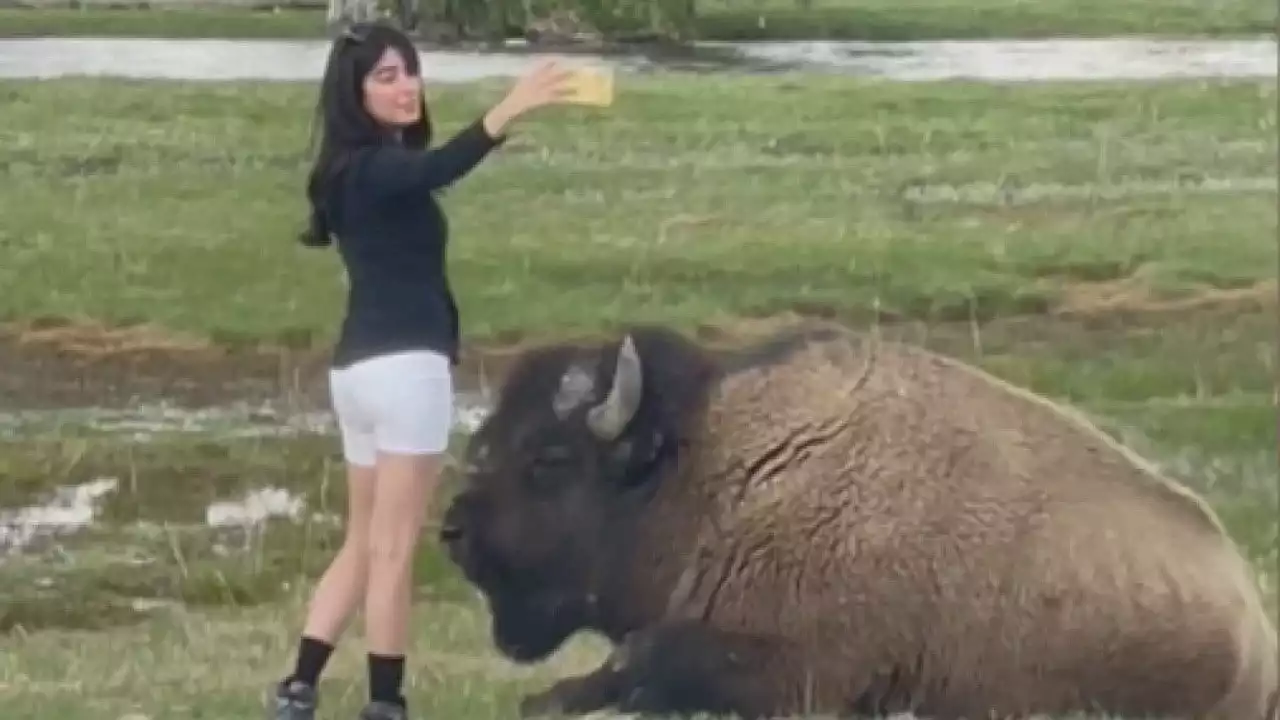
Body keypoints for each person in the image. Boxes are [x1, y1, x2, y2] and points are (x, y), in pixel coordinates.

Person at [270, 20, 577, 720]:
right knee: (393, 550)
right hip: (406, 374)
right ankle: (386, 703)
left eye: (409, 71)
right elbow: (435, 168)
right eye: (386, 76)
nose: (406, 86)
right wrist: (507, 110)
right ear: (355, 94)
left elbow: (422, 170)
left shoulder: (346, 172)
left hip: (356, 376)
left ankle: (298, 688)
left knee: (364, 539)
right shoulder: (377, 170)